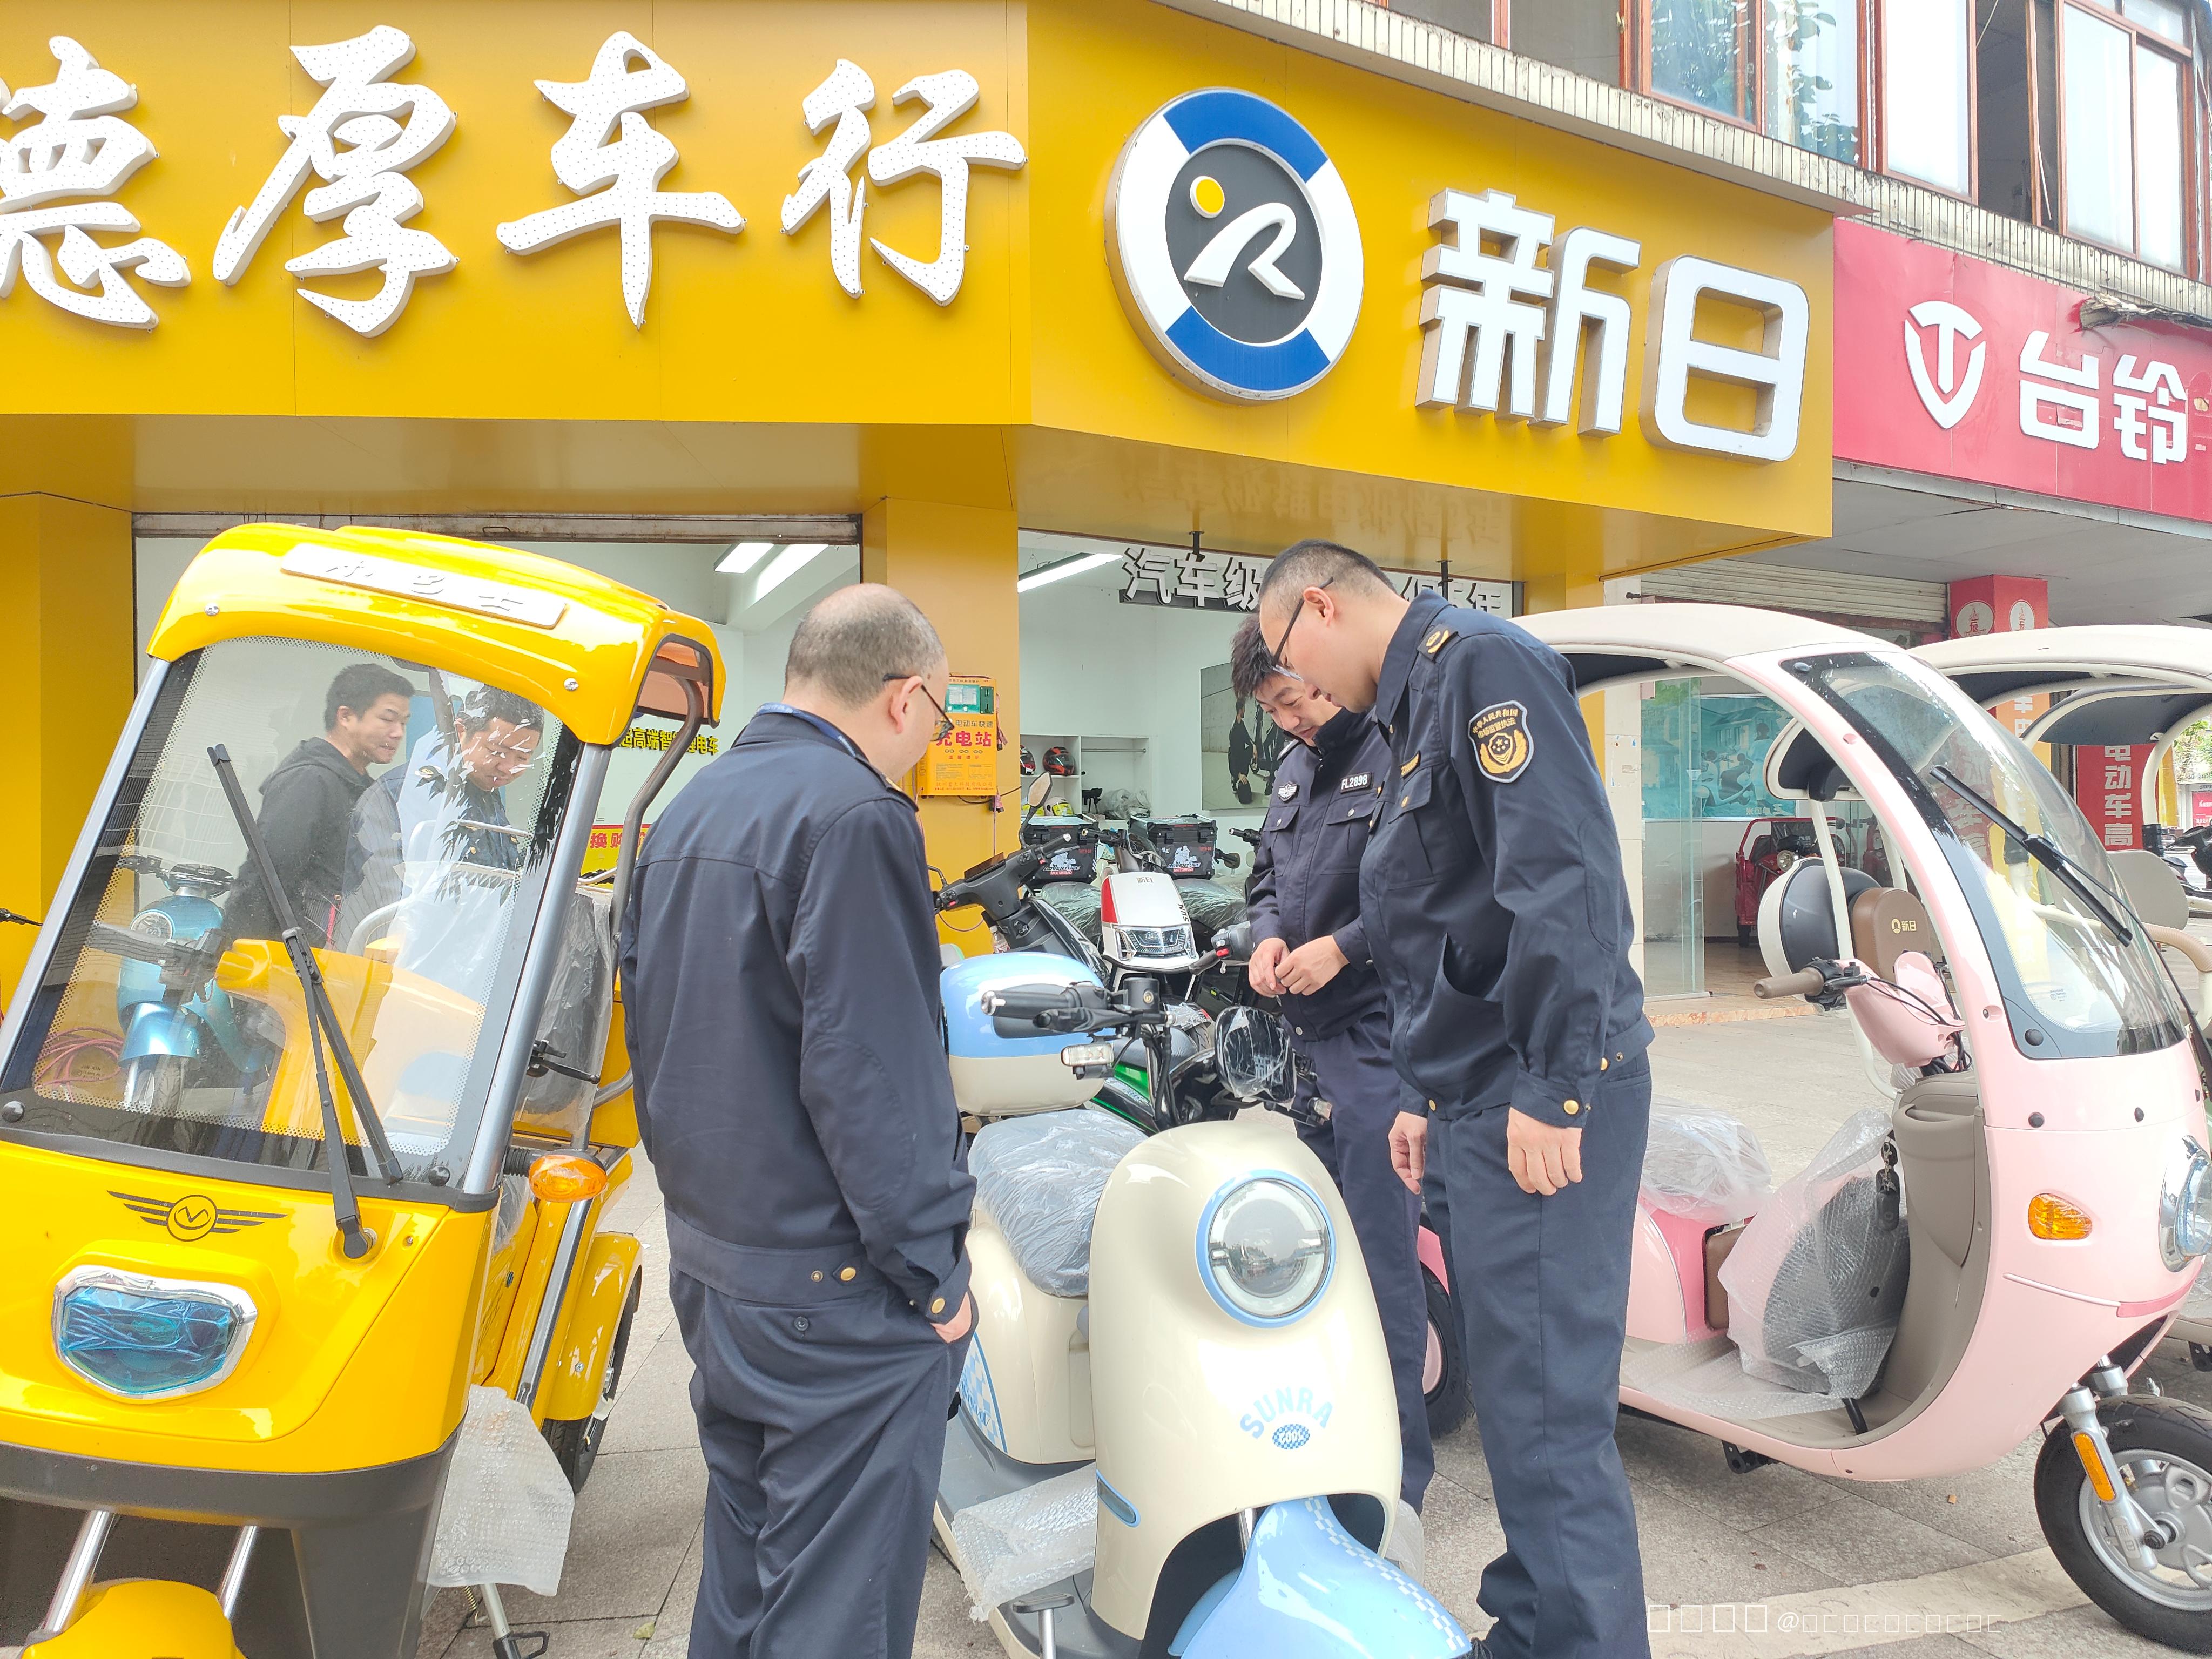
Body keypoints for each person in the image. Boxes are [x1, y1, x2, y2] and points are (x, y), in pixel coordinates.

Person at [1256, 541, 1653, 1659]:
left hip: (1536, 1091)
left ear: (1319, 608)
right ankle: (1529, 1629)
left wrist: (1556, 1088)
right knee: (1517, 1400)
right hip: (1473, 1092)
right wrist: (1425, 1095)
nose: (1301, 687)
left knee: (1548, 1413)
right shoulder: (1408, 708)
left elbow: (1563, 882)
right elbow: (1439, 923)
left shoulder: (1482, 667)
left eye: (1290, 656)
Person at [620, 584, 975, 1659]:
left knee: (745, 1563)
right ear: (905, 698)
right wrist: (935, 1275)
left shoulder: (689, 808)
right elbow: (873, 1080)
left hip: (719, 1267)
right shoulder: (856, 816)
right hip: (837, 1299)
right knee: (837, 1604)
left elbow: (650, 1029)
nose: (930, 739)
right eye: (940, 716)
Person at [1229, 617, 1432, 1516]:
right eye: (1274, 709)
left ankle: (1396, 1478)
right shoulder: (1291, 767)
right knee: (1312, 1258)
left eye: (1296, 699)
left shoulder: (1398, 754)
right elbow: (1267, 879)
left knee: (1384, 1266)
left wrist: (1345, 948)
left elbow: (1430, 893)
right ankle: (1325, 1440)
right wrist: (1269, 937)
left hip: (1379, 1040)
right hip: (1305, 1052)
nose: (1293, 720)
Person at [339, 684, 543, 992]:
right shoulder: (413, 795)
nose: (508, 767)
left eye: (522, 757)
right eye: (497, 752)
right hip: (401, 977)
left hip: (463, 969)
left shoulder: (482, 791)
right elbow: (394, 905)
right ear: (460, 731)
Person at [227, 662, 412, 946]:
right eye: (388, 719)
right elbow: (267, 882)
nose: (398, 733)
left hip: (344, 956)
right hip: (299, 962)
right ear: (346, 716)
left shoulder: (366, 790)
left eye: (404, 723)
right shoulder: (309, 781)